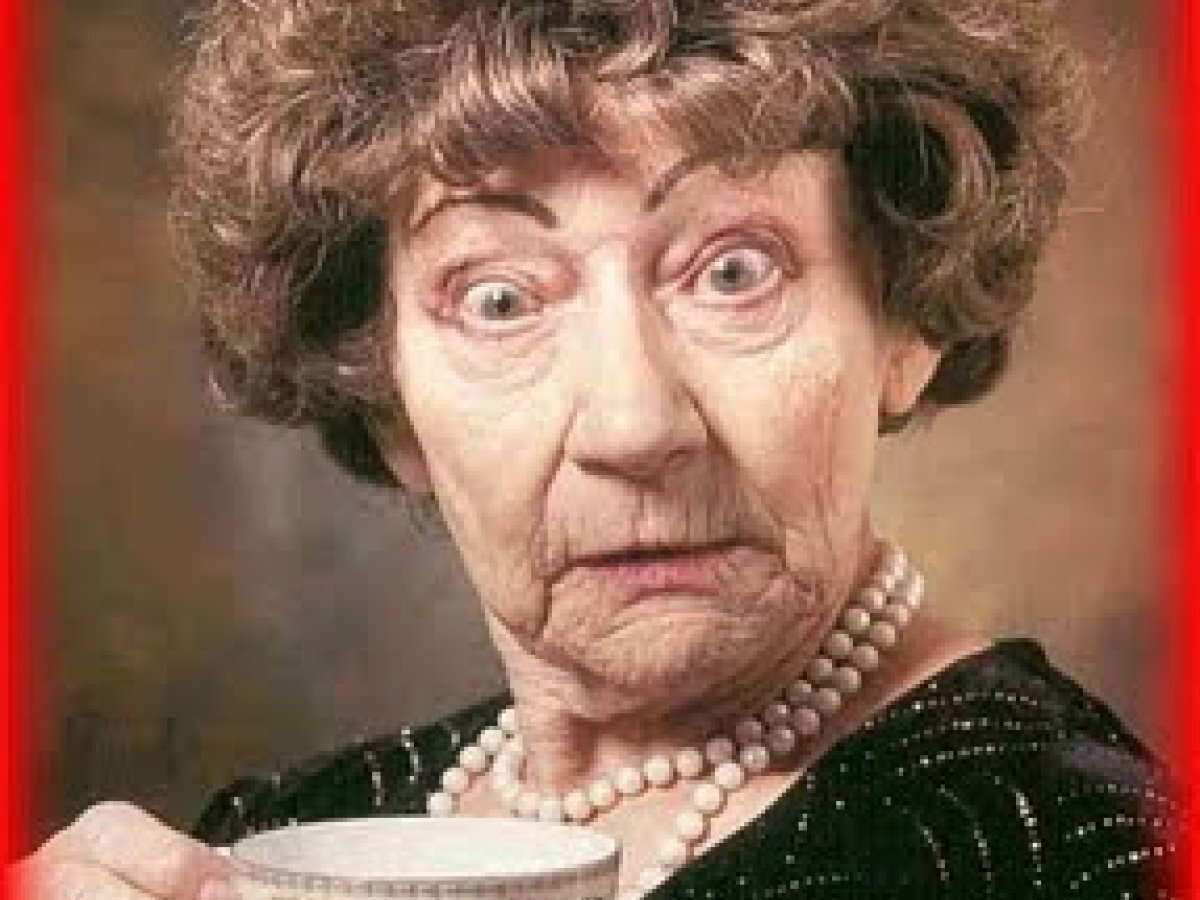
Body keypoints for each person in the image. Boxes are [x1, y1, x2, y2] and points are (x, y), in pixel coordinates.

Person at [20, 0, 1181, 898]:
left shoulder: (1074, 848)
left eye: (734, 272)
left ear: (906, 318)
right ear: (382, 398)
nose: (634, 425)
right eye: (500, 299)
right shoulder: (270, 841)